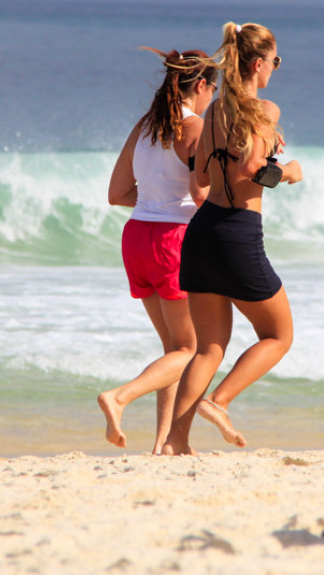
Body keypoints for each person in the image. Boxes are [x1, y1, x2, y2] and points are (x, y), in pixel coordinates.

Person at [161, 21, 303, 455]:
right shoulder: (266, 111)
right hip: (240, 232)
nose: (275, 69)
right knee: (278, 335)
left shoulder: (213, 113)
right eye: (275, 62)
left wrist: (256, 154)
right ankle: (219, 402)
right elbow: (253, 170)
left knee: (209, 348)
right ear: (259, 64)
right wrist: (289, 169)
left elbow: (201, 177)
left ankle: (174, 443)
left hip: (203, 233)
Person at [99, 48, 217, 454]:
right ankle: (119, 397)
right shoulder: (196, 126)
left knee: (173, 350)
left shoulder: (146, 125)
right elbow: (201, 195)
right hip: (174, 241)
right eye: (212, 90)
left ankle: (164, 445)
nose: (211, 98)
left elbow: (116, 194)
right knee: (190, 349)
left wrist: (155, 200)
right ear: (200, 85)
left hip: (137, 238)